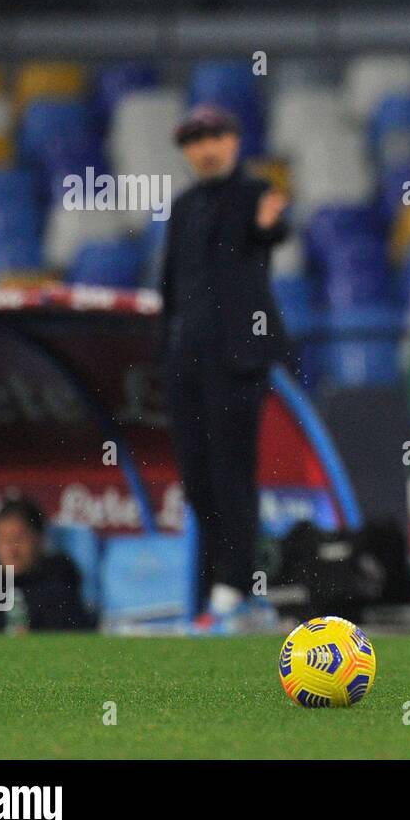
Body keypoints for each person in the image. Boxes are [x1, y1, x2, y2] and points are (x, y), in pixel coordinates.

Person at [159, 104, 290, 633]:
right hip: (186, 360)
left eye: (214, 135)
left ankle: (235, 586)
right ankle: (215, 588)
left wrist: (269, 226)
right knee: (197, 481)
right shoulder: (185, 205)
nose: (205, 147)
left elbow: (274, 232)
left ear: (234, 140)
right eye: (194, 139)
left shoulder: (255, 194)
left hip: (238, 356)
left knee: (232, 473)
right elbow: (168, 288)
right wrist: (161, 355)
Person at [0, 497, 94, 632]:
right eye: (3, 540)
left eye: (18, 538)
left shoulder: (60, 587)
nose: (11, 550)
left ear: (39, 539)